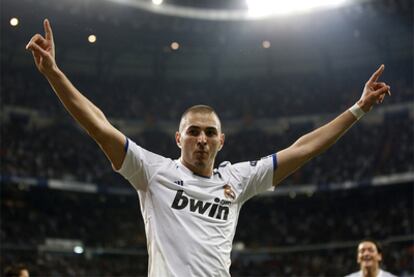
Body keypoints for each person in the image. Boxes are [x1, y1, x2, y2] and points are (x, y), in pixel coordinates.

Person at [26, 19, 392, 276]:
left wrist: (358, 109)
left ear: (221, 139)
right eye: (193, 132)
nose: (201, 139)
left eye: (209, 132)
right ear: (178, 138)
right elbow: (99, 125)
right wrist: (54, 74)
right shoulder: (153, 172)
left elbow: (304, 148)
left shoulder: (239, 178)